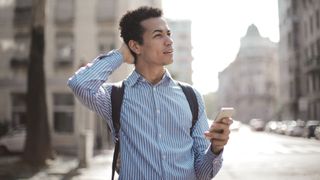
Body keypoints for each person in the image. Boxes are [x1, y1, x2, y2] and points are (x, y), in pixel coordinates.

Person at [68, 6, 232, 180]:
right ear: (135, 46)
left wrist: (215, 149)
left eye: (168, 33)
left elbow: (203, 174)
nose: (169, 41)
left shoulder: (191, 97)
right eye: (158, 35)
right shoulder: (115, 96)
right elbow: (80, 83)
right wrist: (122, 54)